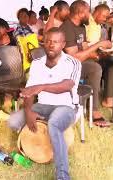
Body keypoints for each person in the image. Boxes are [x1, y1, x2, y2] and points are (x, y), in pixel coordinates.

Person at [8, 27, 81, 180]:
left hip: (66, 107)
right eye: (47, 41)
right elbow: (29, 91)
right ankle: (35, 147)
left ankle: (62, 176)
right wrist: (28, 111)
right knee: (13, 121)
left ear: (63, 44)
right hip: (43, 106)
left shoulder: (73, 63)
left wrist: (41, 87)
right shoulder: (37, 63)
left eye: (55, 42)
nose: (51, 44)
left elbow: (67, 85)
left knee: (54, 122)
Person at [59, 0, 112, 127]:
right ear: (80, 13)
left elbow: (84, 49)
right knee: (95, 68)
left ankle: (110, 97)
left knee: (108, 62)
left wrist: (98, 54)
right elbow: (74, 57)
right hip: (68, 67)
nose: (90, 14)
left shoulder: (81, 26)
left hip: (79, 62)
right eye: (88, 12)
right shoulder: (67, 28)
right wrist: (99, 44)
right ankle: (93, 111)